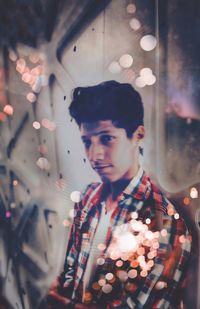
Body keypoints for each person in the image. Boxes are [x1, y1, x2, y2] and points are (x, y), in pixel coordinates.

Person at [47, 81, 191, 309]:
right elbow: (70, 276)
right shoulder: (88, 197)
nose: (94, 155)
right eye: (87, 142)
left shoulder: (163, 221)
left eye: (107, 138)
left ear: (138, 135)